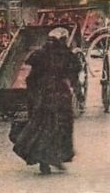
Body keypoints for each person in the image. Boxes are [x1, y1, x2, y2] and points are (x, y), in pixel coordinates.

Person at [13, 27, 78, 175]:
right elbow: (73, 74)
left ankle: (44, 160)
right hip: (60, 95)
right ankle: (56, 157)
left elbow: (31, 77)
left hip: (42, 95)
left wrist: (33, 93)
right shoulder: (67, 55)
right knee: (60, 126)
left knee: (42, 125)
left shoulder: (39, 54)